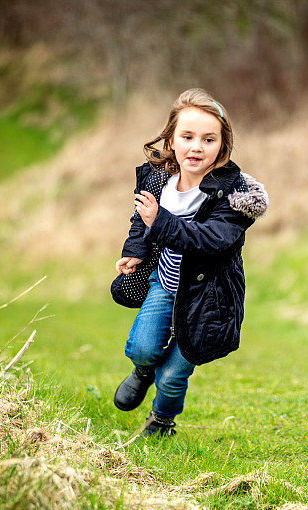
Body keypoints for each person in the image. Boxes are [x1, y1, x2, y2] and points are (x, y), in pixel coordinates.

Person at [110, 88, 268, 437]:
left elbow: (211, 241)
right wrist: (136, 248)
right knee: (143, 347)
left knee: (173, 374)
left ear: (222, 147)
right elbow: (142, 217)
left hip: (206, 299)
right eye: (188, 136)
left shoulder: (234, 196)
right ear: (172, 139)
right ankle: (142, 370)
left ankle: (162, 420)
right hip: (164, 284)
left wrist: (160, 222)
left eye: (208, 139)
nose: (197, 147)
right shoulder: (158, 177)